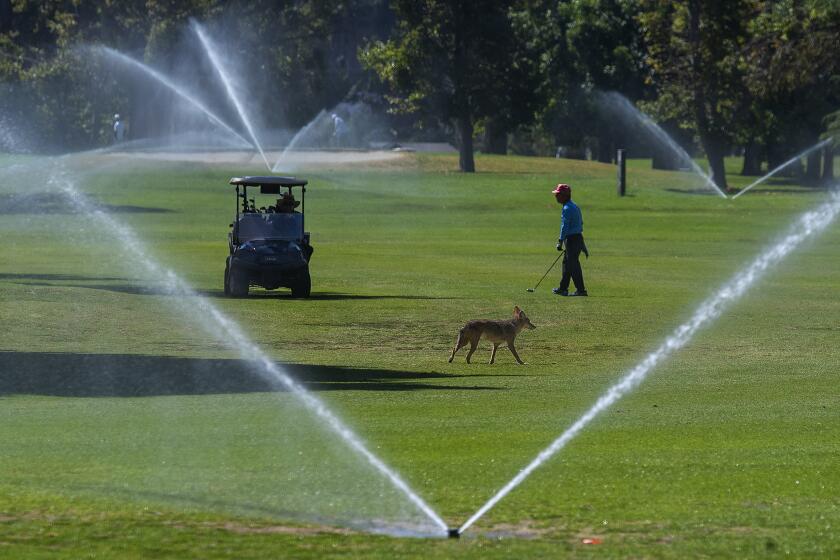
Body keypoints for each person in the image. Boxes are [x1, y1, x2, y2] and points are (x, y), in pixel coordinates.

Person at [552, 183, 588, 296]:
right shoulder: (574, 205)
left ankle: (581, 290)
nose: (556, 196)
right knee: (567, 263)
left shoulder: (567, 208)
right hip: (577, 238)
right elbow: (580, 223)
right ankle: (563, 288)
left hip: (572, 239)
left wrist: (560, 241)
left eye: (558, 194)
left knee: (572, 265)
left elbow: (565, 227)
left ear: (564, 195)